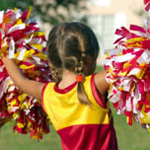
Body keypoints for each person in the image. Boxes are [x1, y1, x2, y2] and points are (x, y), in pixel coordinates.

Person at [2, 22, 118, 150]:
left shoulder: (47, 94)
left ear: (51, 60)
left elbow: (21, 81)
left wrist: (4, 47)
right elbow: (126, 70)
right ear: (89, 59)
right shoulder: (95, 85)